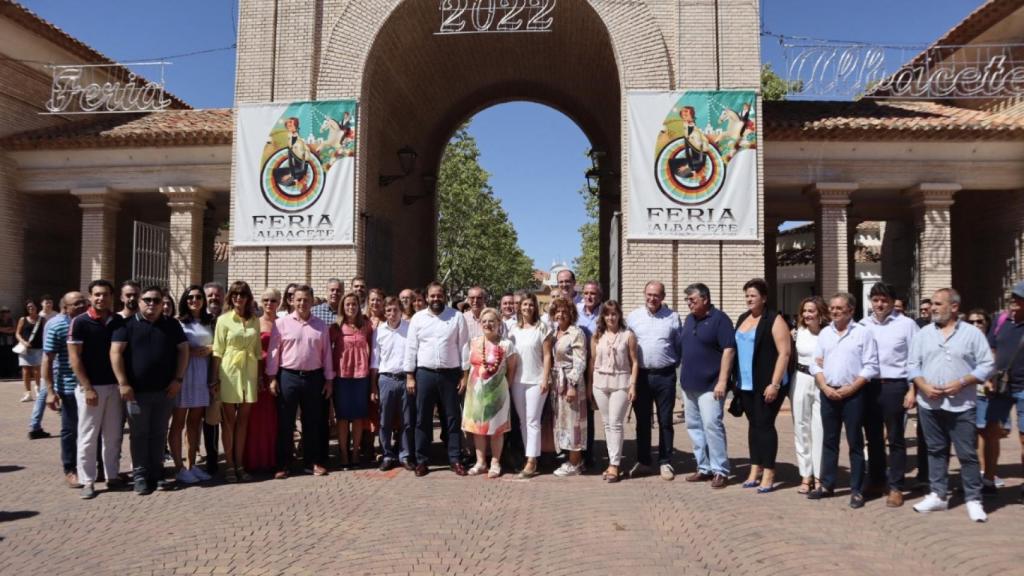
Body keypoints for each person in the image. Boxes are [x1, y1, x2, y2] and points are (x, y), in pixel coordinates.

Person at [909, 288, 994, 522]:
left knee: (967, 453)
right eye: (933, 304)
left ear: (954, 307)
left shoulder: (972, 334)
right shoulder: (924, 334)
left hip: (962, 404)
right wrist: (923, 385)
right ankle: (938, 494)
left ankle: (973, 498)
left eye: (938, 304)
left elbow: (986, 365)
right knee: (935, 450)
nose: (933, 308)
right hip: (929, 404)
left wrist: (963, 381)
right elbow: (912, 364)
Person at [110, 286, 189, 495]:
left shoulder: (171, 325)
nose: (152, 304)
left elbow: (183, 351)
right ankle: (140, 475)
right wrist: (123, 383)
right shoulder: (127, 325)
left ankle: (157, 473)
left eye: (156, 300)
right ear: (139, 301)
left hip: (165, 392)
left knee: (159, 433)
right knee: (139, 434)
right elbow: (116, 352)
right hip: (137, 393)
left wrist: (178, 379)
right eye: (147, 300)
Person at [808, 292, 879, 509]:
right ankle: (827, 484)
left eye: (839, 308)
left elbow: (871, 366)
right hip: (828, 393)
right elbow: (815, 364)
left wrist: (852, 388)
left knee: (855, 442)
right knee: (829, 440)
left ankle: (856, 489)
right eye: (832, 308)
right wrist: (824, 386)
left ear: (850, 310)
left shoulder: (863, 333)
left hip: (854, 395)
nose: (834, 311)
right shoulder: (825, 334)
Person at [859, 282, 920, 507]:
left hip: (895, 386)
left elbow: (916, 359)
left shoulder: (907, 325)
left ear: (893, 302)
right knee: (873, 437)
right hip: (869, 386)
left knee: (895, 438)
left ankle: (896, 486)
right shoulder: (863, 325)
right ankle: (876, 480)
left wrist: (913, 389)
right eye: (876, 300)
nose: (880, 304)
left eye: (884, 300)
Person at [267, 284, 335, 479]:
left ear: (312, 301)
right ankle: (283, 464)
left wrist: (329, 380)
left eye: (306, 299)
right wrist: (272, 378)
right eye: (298, 299)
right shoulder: (281, 324)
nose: (302, 303)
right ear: (292, 301)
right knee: (285, 423)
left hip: (314, 378)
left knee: (312, 422)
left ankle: (312, 462)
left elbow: (327, 354)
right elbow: (273, 352)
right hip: (288, 376)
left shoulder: (321, 325)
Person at [404, 281, 471, 477]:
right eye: (432, 296)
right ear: (426, 297)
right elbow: (411, 348)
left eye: (439, 295)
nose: (436, 299)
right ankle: (422, 460)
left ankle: (455, 459)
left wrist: (464, 375)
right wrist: (410, 376)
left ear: (445, 296)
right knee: (422, 418)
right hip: (424, 373)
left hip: (450, 374)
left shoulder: (456, 317)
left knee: (452, 418)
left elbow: (464, 347)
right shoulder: (418, 319)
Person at [733, 279, 791, 493]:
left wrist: (774, 384)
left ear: (764, 298)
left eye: (753, 295)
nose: (749, 299)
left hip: (767, 383)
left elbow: (784, 353)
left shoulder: (774, 320)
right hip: (746, 384)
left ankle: (769, 471)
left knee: (765, 425)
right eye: (747, 295)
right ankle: (755, 467)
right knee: (753, 425)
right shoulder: (743, 318)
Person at [69, 280, 125, 499]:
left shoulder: (117, 321)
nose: (101, 298)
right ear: (90, 297)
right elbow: (75, 358)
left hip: (114, 386)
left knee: (113, 436)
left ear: (112, 297)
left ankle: (112, 475)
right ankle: (88, 480)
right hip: (91, 388)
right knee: (88, 436)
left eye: (105, 295)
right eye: (97, 295)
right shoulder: (80, 322)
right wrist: (87, 387)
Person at [627, 281, 684, 480]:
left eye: (657, 295)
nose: (652, 298)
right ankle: (643, 461)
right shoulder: (633, 317)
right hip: (641, 376)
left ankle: (665, 462)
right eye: (649, 294)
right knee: (642, 421)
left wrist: (671, 363)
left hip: (665, 376)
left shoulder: (673, 317)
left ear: (663, 296)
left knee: (666, 420)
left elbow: (679, 346)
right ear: (644, 294)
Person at [679, 282, 734, 488]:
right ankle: (704, 467)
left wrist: (722, 381)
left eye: (692, 300)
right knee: (694, 427)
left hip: (711, 385)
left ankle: (720, 470)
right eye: (687, 300)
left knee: (712, 426)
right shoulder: (689, 319)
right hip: (689, 385)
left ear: (705, 299)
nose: (689, 304)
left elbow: (729, 350)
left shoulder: (720, 320)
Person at [211, 281, 262, 482]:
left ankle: (240, 463)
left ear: (248, 298)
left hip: (248, 372)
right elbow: (217, 350)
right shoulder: (224, 320)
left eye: (242, 295)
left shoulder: (254, 321)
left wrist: (258, 377)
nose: (238, 299)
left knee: (244, 422)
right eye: (234, 295)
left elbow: (257, 351)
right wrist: (214, 379)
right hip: (229, 372)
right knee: (229, 422)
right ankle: (230, 465)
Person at [463, 308, 518, 478]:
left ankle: (495, 462)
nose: (488, 324)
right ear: (480, 324)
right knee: (477, 428)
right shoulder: (473, 342)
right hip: (475, 392)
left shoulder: (506, 345)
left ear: (499, 324)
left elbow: (511, 369)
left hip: (497, 393)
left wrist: (503, 387)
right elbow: (466, 366)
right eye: (484, 321)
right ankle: (480, 462)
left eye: (491, 321)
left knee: (496, 429)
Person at [41, 292, 88, 487]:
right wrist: (50, 391)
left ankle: (94, 467)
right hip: (68, 387)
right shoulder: (57, 324)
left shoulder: (87, 321)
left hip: (91, 385)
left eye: (83, 302)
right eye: (76, 304)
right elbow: (47, 359)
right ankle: (70, 469)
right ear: (65, 307)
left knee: (91, 430)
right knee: (71, 430)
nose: (81, 305)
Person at [169, 285, 214, 484]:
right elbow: (174, 347)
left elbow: (217, 343)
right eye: (190, 298)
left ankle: (191, 464)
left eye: (198, 297)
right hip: (184, 374)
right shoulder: (178, 323)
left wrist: (210, 348)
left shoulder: (209, 321)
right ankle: (179, 466)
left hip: (202, 374)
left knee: (195, 423)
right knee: (178, 422)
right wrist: (189, 352)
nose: (194, 301)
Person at [984, 280, 1024, 503]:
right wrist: (990, 376)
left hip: (1023, 388)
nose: (1015, 302)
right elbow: (991, 348)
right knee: (991, 431)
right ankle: (988, 479)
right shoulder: (1001, 320)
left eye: (1020, 299)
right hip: (1001, 387)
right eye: (1014, 298)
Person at [590, 300, 638, 483]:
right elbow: (593, 362)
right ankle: (612, 460)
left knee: (616, 422)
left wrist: (633, 385)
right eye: (607, 314)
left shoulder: (627, 335)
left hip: (621, 382)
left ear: (619, 315)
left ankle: (615, 464)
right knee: (606, 423)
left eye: (614, 314)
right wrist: (589, 386)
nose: (611, 317)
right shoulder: (597, 336)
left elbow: (634, 362)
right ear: (603, 316)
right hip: (600, 382)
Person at [508, 293, 552, 479]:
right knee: (522, 421)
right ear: (520, 307)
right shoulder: (513, 330)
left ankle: (532, 461)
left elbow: (548, 355)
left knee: (533, 421)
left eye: (531, 305)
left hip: (536, 380)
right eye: (524, 305)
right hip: (518, 380)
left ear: (535, 307)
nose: (527, 308)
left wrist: (545, 378)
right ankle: (529, 455)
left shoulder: (543, 328)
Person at [330, 292, 374, 468]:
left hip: (361, 376)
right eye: (347, 304)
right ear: (343, 306)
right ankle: (343, 453)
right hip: (342, 377)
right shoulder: (336, 327)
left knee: (357, 417)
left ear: (359, 306)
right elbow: (327, 350)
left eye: (354, 304)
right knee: (342, 418)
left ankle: (355, 452)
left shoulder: (366, 325)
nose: (351, 307)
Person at [791, 296, 828, 494]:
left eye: (811, 311)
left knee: (819, 428)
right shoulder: (798, 333)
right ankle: (806, 474)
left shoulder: (829, 334)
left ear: (820, 314)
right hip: (801, 379)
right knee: (801, 427)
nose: (806, 315)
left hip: (821, 382)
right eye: (804, 311)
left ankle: (819, 475)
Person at [549, 298, 588, 477]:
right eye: (558, 311)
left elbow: (580, 361)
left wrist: (572, 385)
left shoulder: (576, 333)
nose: (561, 315)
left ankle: (575, 462)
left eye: (565, 311)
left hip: (571, 381)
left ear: (571, 313)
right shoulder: (555, 332)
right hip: (557, 381)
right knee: (562, 421)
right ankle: (571, 458)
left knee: (574, 422)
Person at [372, 296, 411, 471]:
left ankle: (405, 455)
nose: (392, 313)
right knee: (384, 421)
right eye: (388, 310)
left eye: (395, 309)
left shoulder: (409, 329)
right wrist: (373, 385)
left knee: (407, 420)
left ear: (400, 310)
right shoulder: (379, 331)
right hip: (386, 379)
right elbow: (375, 359)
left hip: (405, 379)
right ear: (384, 312)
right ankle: (387, 455)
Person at [245, 287, 281, 473]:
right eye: (266, 300)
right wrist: (258, 376)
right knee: (256, 417)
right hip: (257, 372)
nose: (269, 304)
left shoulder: (283, 323)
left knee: (273, 418)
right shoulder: (255, 323)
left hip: (277, 374)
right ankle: (255, 459)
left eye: (273, 300)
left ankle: (272, 459)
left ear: (279, 303)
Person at [202, 281, 225, 476]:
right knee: (203, 420)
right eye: (210, 295)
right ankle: (206, 458)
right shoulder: (201, 320)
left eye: (217, 295)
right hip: (199, 374)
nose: (214, 298)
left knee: (216, 419)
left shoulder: (227, 318)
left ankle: (214, 459)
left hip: (223, 376)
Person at [16, 298, 45, 403]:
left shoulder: (41, 319)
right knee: (26, 371)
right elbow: (17, 333)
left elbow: (45, 333)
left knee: (37, 370)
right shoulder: (23, 319)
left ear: (37, 307)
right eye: (28, 307)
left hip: (38, 348)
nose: (31, 308)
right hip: (25, 349)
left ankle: (38, 389)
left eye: (32, 306)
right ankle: (28, 393)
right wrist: (23, 342)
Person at [0, 306, 17, 379]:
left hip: (11, 342)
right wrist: (8, 329)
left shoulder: (12, 320)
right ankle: (2, 374)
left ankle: (12, 373)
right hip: (1, 343)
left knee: (11, 358)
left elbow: (14, 330)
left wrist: (3, 330)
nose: (5, 313)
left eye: (7, 312)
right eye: (3, 312)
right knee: (2, 358)